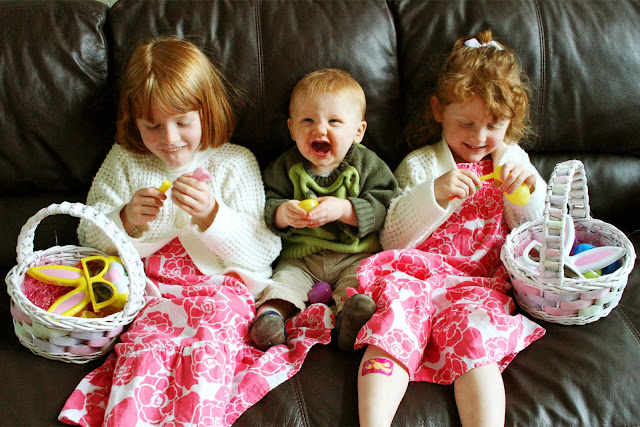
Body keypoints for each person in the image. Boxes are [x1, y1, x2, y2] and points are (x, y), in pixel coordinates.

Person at [59, 38, 332, 427]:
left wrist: (212, 216)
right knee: (147, 351)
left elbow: (263, 250)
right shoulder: (125, 160)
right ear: (134, 122)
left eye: (183, 122)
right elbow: (88, 235)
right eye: (153, 126)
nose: (169, 139)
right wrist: (124, 220)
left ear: (208, 112)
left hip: (222, 291)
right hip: (155, 294)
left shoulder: (234, 163)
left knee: (207, 345)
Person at [353, 30, 547, 427]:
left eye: (493, 125)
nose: (479, 137)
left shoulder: (513, 160)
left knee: (476, 340)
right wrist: (433, 194)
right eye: (466, 123)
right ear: (439, 110)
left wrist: (525, 192)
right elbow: (392, 238)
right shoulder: (422, 164)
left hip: (478, 285)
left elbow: (538, 236)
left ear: (511, 122)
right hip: (417, 278)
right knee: (393, 325)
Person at [251, 68, 398, 351]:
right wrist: (283, 213)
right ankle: (270, 319)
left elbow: (385, 205)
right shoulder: (285, 166)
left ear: (358, 131)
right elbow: (267, 202)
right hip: (300, 258)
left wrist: (345, 209)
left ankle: (350, 320)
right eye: (308, 120)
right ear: (292, 129)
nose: (319, 129)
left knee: (358, 287)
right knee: (283, 284)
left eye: (334, 121)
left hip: (353, 255)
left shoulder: (368, 165)